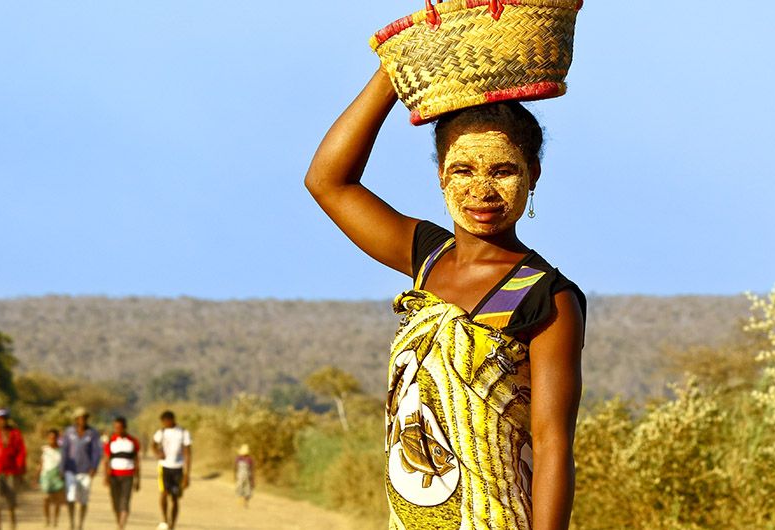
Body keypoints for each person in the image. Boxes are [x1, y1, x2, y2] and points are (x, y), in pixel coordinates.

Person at [305, 70, 586, 530]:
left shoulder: (543, 297)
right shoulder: (428, 258)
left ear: (532, 174)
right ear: (440, 174)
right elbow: (328, 182)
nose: (482, 191)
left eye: (503, 170)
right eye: (462, 169)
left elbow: (553, 444)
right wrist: (394, 74)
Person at [0, 408, 26, 530]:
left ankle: (13, 524)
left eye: (4, 418)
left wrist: (20, 469)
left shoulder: (16, 434)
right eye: (0, 418)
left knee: (11, 498)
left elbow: (21, 452)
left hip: (11, 471)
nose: (2, 421)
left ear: (7, 419)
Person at [60, 407, 101, 530]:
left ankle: (80, 524)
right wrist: (62, 467)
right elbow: (64, 451)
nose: (82, 420)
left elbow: (96, 452)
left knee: (83, 500)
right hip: (70, 470)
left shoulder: (92, 433)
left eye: (85, 417)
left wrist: (94, 467)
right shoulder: (69, 432)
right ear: (76, 419)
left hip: (86, 470)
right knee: (71, 497)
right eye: (80, 418)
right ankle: (71, 522)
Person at [152, 410, 191, 530]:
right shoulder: (161, 432)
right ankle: (164, 520)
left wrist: (186, 474)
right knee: (163, 493)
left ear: (172, 420)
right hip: (164, 467)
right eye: (163, 422)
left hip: (178, 468)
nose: (164, 423)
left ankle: (172, 524)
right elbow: (153, 444)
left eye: (166, 421)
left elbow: (187, 453)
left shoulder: (183, 433)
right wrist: (158, 453)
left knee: (175, 497)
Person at [103, 416, 140, 530]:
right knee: (115, 502)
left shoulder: (133, 441)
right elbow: (106, 460)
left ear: (125, 428)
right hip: (114, 475)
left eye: (119, 427)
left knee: (125, 500)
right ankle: (119, 521)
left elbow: (136, 460)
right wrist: (106, 476)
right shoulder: (111, 441)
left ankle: (121, 526)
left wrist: (138, 479)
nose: (117, 430)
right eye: (115, 427)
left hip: (128, 475)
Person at [38, 429, 64, 528]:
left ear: (57, 438)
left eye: (54, 438)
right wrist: (36, 476)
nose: (52, 440)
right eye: (50, 438)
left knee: (57, 501)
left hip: (57, 477)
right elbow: (41, 463)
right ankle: (47, 519)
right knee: (46, 498)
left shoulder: (61, 451)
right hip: (46, 476)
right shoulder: (45, 449)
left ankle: (55, 520)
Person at [234, 444, 254, 508]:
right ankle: (241, 501)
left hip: (246, 476)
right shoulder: (239, 458)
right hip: (242, 476)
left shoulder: (249, 459)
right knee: (241, 487)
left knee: (246, 488)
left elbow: (251, 469)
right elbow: (235, 468)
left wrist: (252, 479)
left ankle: (245, 503)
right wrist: (235, 476)